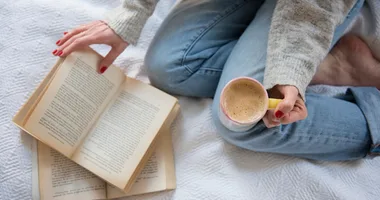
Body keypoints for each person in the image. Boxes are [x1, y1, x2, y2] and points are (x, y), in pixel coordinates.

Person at [52, 0, 380, 161]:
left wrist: (290, 68)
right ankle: (332, 65)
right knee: (169, 66)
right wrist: (131, 15)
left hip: (308, 6)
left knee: (245, 121)